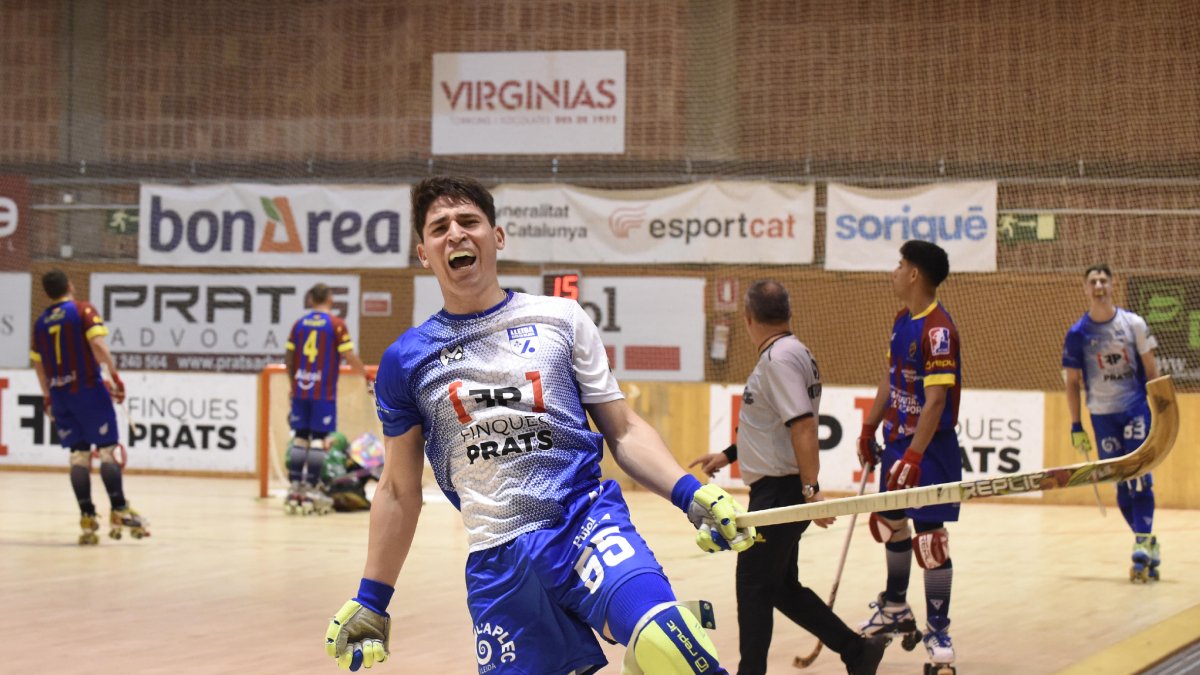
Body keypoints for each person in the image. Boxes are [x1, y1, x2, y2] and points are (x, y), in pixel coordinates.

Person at [323, 175, 755, 674]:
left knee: (671, 647)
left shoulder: (560, 319)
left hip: (583, 524)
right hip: (498, 564)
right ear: (424, 253)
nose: (456, 234)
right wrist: (372, 598)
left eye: (469, 221)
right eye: (440, 228)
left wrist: (689, 492)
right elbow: (398, 490)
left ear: (497, 237)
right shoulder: (407, 360)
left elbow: (625, 429)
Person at [690, 280, 891, 675]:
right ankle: (856, 651)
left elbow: (802, 426)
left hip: (781, 491)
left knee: (752, 582)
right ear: (787, 313)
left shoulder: (777, 360)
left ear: (747, 319)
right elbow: (771, 425)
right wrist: (728, 455)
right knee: (780, 586)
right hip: (781, 487)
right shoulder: (792, 352)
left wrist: (810, 492)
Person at [855, 240, 960, 671]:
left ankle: (938, 629)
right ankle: (896, 606)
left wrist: (915, 456)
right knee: (889, 523)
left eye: (900, 266)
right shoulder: (902, 320)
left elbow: (935, 401)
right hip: (898, 443)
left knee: (930, 538)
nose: (894, 272)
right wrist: (868, 425)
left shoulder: (937, 329)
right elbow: (890, 378)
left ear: (915, 274)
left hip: (928, 449)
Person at [30, 269, 149, 544]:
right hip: (88, 391)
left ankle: (87, 517)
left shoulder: (40, 323)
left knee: (78, 456)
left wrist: (47, 396)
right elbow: (98, 345)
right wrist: (114, 376)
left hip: (60, 396)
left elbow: (39, 366)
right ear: (69, 285)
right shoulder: (82, 310)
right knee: (107, 451)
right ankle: (119, 509)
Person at [1062, 263, 1161, 582]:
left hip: (1134, 409)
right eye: (1093, 281)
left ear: (1113, 285)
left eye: (1104, 279)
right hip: (1101, 414)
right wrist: (1076, 425)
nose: (1099, 285)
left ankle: (1142, 541)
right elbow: (1072, 382)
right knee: (1118, 480)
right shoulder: (1077, 334)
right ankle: (1147, 540)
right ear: (1085, 288)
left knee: (1138, 473)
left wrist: (1160, 410)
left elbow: (1151, 367)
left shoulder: (1133, 323)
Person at [284, 283, 373, 515]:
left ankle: (294, 488)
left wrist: (293, 383)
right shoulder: (336, 325)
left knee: (300, 438)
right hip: (322, 392)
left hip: (300, 389)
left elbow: (290, 356)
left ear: (311, 299)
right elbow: (348, 355)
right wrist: (365, 374)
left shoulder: (299, 324)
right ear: (331, 299)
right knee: (318, 440)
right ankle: (312, 488)